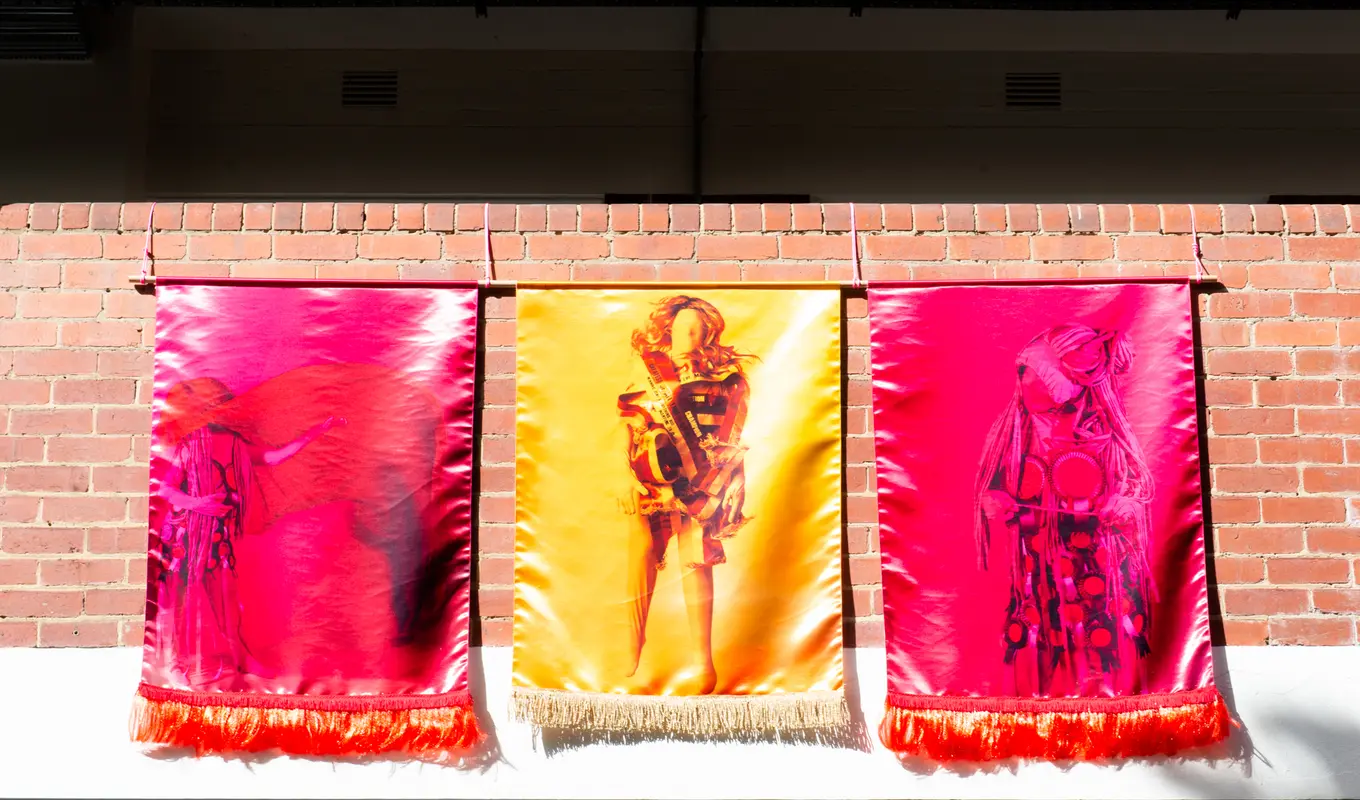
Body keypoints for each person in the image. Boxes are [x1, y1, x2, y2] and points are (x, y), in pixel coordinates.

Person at [973, 324, 1157, 696]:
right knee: (1038, 637)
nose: (1025, 386)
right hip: (1038, 569)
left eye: (1035, 379)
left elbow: (1136, 486)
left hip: (1103, 569)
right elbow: (991, 487)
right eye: (1023, 377)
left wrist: (1125, 506)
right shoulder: (1012, 431)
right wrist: (994, 501)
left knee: (1103, 644)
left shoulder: (1107, 430)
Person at [154, 377, 342, 686]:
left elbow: (274, 457)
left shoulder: (235, 444)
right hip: (185, 536)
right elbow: (167, 489)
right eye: (216, 406)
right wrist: (198, 503)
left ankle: (241, 658)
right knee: (182, 598)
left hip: (218, 536)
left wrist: (317, 432)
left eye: (225, 406)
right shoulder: (190, 444)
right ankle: (176, 663)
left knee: (226, 599)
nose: (222, 411)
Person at [617, 296, 752, 694]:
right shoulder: (647, 374)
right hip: (653, 478)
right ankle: (631, 646)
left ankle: (702, 664)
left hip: (701, 482)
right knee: (640, 549)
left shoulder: (729, 380)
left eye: (694, 329)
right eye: (679, 328)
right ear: (667, 329)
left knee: (696, 562)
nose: (685, 336)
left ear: (708, 334)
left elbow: (733, 438)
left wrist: (733, 481)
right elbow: (624, 428)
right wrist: (620, 476)